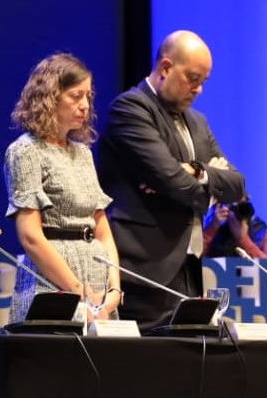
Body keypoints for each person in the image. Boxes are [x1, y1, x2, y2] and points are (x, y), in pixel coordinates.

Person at [95, 30, 245, 329]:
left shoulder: (198, 123)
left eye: (203, 81)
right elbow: (170, 180)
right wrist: (205, 184)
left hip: (188, 268)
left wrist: (197, 171)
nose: (199, 89)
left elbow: (238, 185)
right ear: (165, 68)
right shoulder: (131, 109)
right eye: (192, 78)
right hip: (143, 268)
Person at [4, 53, 121, 322]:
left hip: (96, 279)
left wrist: (114, 287)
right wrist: (78, 291)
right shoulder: (26, 151)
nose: (85, 105)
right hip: (52, 281)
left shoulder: (83, 154)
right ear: (50, 97)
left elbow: (102, 229)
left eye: (88, 97)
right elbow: (31, 237)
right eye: (75, 96)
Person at [202, 196, 267, 260]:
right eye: (231, 205)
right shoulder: (213, 231)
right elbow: (193, 260)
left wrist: (243, 238)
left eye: (240, 206)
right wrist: (212, 228)